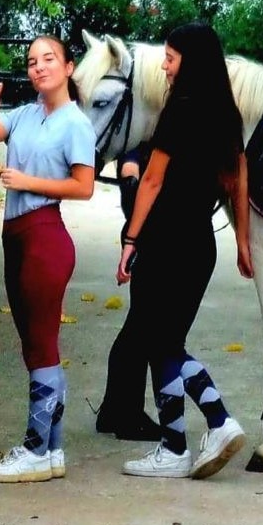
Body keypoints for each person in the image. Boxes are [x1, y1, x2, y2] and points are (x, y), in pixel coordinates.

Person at [117, 22, 253, 480]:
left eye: (171, 58)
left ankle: (218, 420)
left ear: (189, 61)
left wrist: (131, 238)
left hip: (165, 241)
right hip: (200, 244)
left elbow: (151, 180)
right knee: (165, 343)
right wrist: (244, 244)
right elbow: (238, 183)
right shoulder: (226, 115)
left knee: (163, 343)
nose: (164, 65)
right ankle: (173, 446)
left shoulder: (182, 110)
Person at [0, 36, 96, 483]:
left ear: (68, 67)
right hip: (15, 235)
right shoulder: (24, 114)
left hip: (45, 235)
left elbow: (84, 187)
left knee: (41, 344)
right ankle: (52, 450)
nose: (39, 67)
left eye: (49, 60)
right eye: (32, 62)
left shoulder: (75, 123)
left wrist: (28, 180)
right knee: (35, 346)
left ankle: (36, 448)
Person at [94, 142, 161, 441]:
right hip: (149, 230)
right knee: (143, 325)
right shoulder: (147, 126)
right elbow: (130, 166)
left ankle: (114, 408)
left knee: (138, 323)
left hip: (145, 229)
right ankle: (127, 414)